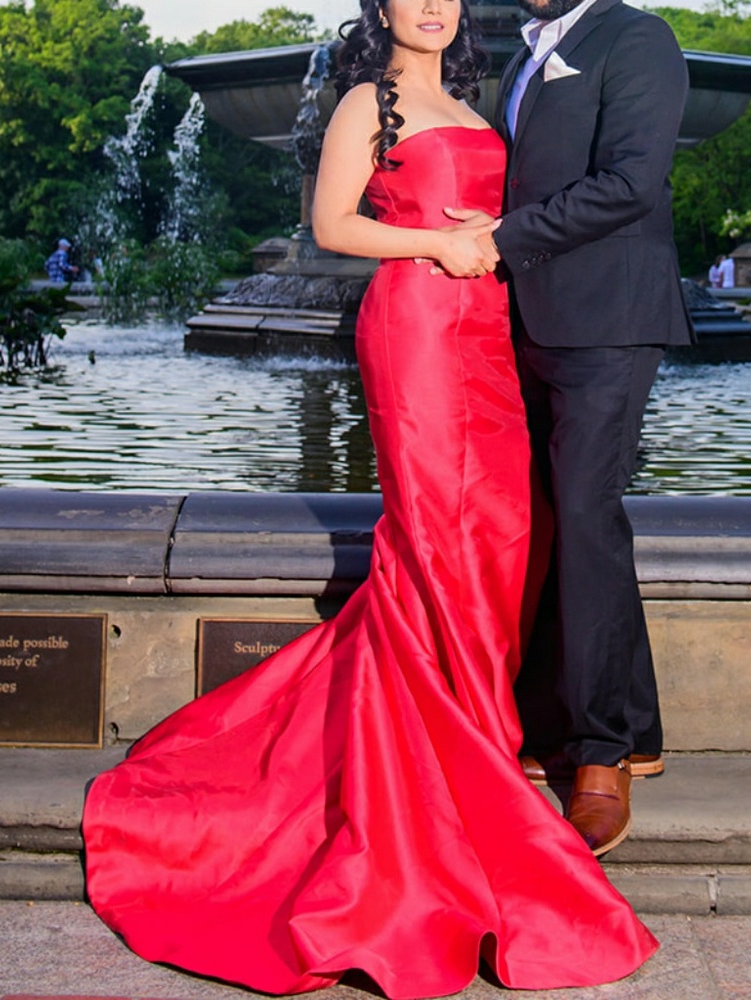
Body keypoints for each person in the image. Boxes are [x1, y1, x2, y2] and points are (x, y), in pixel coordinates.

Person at [82, 1, 656, 996]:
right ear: (380, 7)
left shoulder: (483, 96)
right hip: (424, 333)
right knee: (434, 537)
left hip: (494, 336)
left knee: (505, 538)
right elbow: (333, 223)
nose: (433, 5)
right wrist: (433, 248)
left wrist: (486, 244)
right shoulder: (369, 99)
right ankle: (462, 753)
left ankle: (486, 726)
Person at [445, 0, 693, 857]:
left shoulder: (636, 38)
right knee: (567, 524)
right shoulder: (526, 54)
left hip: (610, 321)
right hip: (532, 322)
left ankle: (600, 755)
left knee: (587, 517)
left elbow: (632, 181)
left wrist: (503, 239)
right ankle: (633, 728)